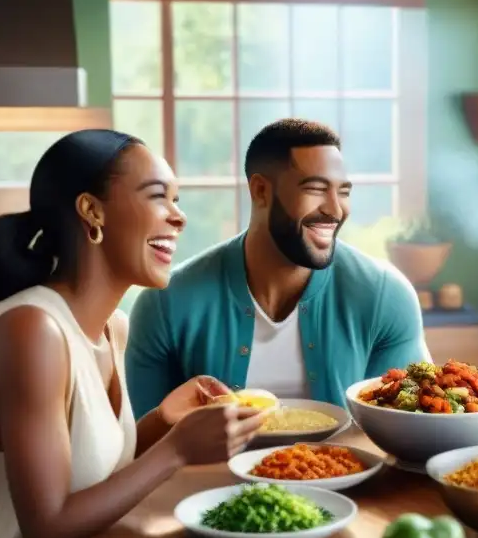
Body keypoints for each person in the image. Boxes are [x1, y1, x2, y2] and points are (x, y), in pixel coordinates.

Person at [0, 130, 263, 538]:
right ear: (92, 211)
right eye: (159, 195)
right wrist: (177, 450)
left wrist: (163, 422)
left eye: (177, 200)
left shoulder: (112, 328)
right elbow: (49, 531)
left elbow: (90, 480)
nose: (178, 217)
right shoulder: (32, 332)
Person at [124, 118, 429, 419]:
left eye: (344, 192)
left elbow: (404, 427)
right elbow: (145, 443)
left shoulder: (384, 295)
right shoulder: (165, 303)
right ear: (260, 191)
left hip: (350, 468)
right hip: (212, 471)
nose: (335, 209)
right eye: (316, 188)